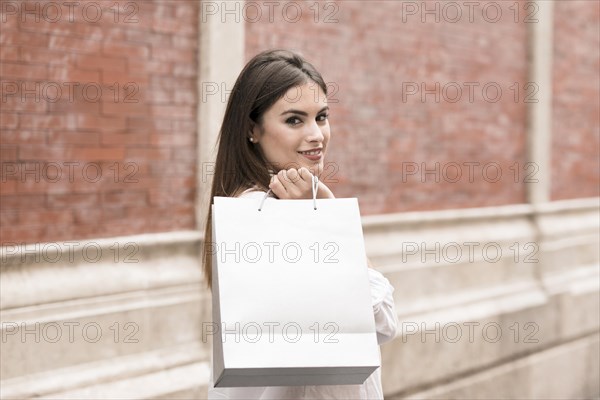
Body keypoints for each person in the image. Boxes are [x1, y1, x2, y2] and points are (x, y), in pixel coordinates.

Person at [203, 49, 399, 399]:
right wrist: (328, 218)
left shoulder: (274, 208)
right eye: (294, 120)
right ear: (253, 130)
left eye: (321, 117)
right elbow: (380, 320)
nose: (316, 135)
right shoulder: (264, 215)